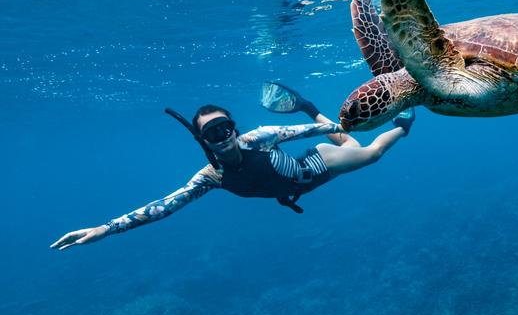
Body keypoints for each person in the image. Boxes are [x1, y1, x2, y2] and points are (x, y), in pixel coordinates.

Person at [50, 83, 415, 251]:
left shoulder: (259, 137)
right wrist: (106, 228)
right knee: (348, 143)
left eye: (226, 127)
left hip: (315, 167)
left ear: (235, 128)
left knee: (366, 153)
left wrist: (355, 122)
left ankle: (401, 126)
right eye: (212, 132)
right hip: (294, 184)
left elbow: (317, 130)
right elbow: (163, 207)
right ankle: (309, 105)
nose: (223, 136)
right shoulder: (209, 178)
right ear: (202, 140)